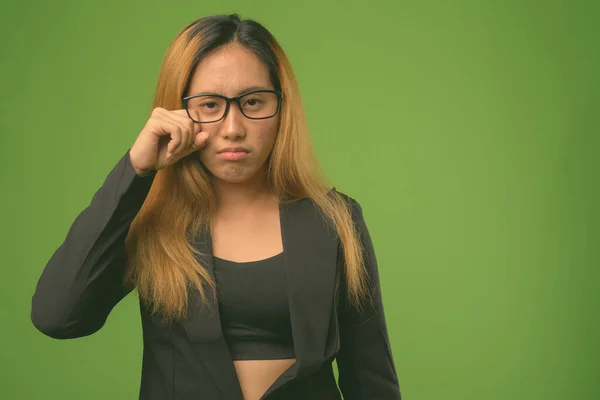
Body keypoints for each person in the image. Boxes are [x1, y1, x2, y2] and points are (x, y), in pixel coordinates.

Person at [30, 13, 401, 400]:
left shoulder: (336, 219)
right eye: (209, 105)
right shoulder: (154, 221)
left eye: (253, 101)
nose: (232, 127)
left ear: (281, 109)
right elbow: (57, 316)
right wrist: (135, 169)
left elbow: (371, 377)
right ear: (177, 111)